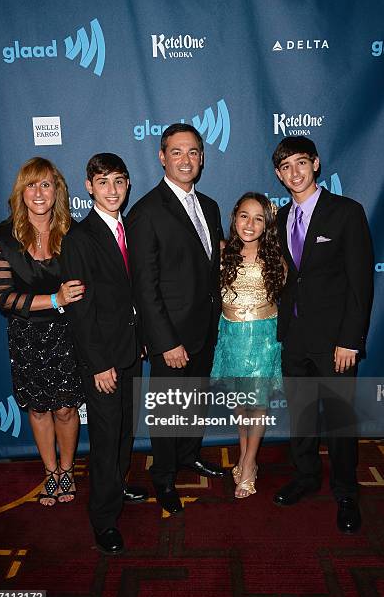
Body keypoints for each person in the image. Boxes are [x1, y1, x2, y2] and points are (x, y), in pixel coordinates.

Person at [272, 136, 374, 533]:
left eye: (301, 163)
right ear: (278, 175)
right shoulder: (280, 219)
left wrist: (351, 339)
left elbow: (360, 283)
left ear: (316, 163)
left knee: (339, 421)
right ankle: (306, 476)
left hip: (336, 343)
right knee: (300, 416)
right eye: (285, 167)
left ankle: (346, 492)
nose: (294, 173)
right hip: (293, 338)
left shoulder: (346, 213)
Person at [126, 123, 226, 516]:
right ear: (162, 157)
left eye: (194, 152)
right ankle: (164, 477)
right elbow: (144, 288)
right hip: (172, 336)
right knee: (169, 409)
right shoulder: (147, 212)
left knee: (195, 401)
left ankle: (189, 455)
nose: (187, 160)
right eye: (178, 152)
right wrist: (165, 340)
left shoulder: (212, 206)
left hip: (206, 328)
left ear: (202, 158)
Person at [60, 153, 147, 556]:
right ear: (89, 187)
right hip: (104, 360)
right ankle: (103, 519)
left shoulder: (128, 228)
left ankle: (119, 483)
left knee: (126, 429)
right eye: (103, 182)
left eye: (119, 181)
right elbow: (80, 310)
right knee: (107, 435)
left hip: (130, 350)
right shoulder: (80, 238)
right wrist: (99, 364)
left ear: (127, 185)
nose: (112, 190)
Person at [0, 157, 85, 507]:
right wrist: (54, 298)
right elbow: (3, 298)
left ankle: (67, 469)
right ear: (21, 192)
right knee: (40, 410)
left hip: (67, 335)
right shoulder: (2, 236)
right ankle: (50, 473)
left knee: (65, 409)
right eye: (32, 184)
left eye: (46, 184)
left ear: (57, 190)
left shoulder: (74, 232)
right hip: (26, 336)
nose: (39, 192)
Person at [211, 193, 285, 498]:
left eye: (258, 218)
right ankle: (243, 455)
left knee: (258, 405)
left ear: (267, 224)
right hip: (231, 336)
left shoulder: (276, 258)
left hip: (264, 338)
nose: (250, 224)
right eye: (244, 215)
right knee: (240, 405)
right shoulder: (221, 252)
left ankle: (250, 462)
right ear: (234, 218)